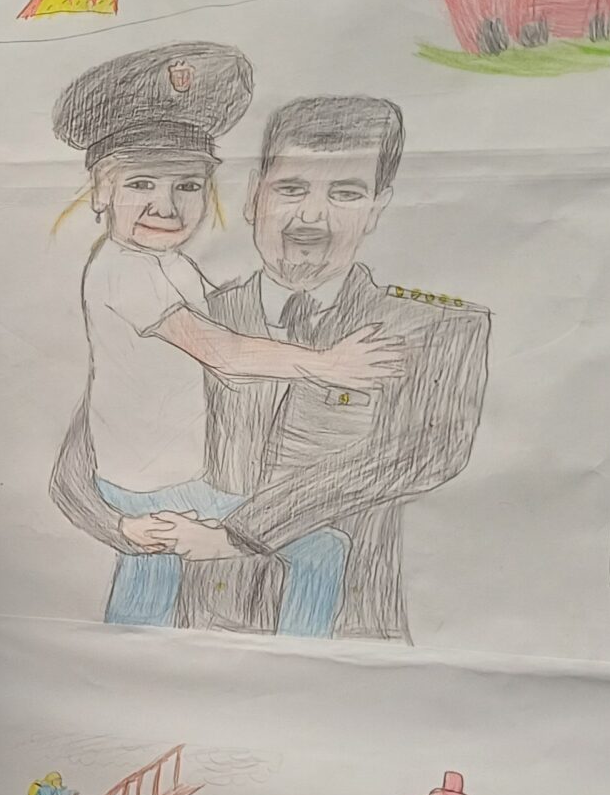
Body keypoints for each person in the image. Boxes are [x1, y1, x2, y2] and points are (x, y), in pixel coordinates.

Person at [52, 94, 490, 641]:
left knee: (320, 553)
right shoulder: (202, 315)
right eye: (291, 189)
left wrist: (240, 534)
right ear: (254, 196)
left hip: (341, 643)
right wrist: (122, 528)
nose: (311, 216)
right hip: (192, 638)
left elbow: (416, 453)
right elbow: (86, 448)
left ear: (377, 209)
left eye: (346, 193)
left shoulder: (434, 329)